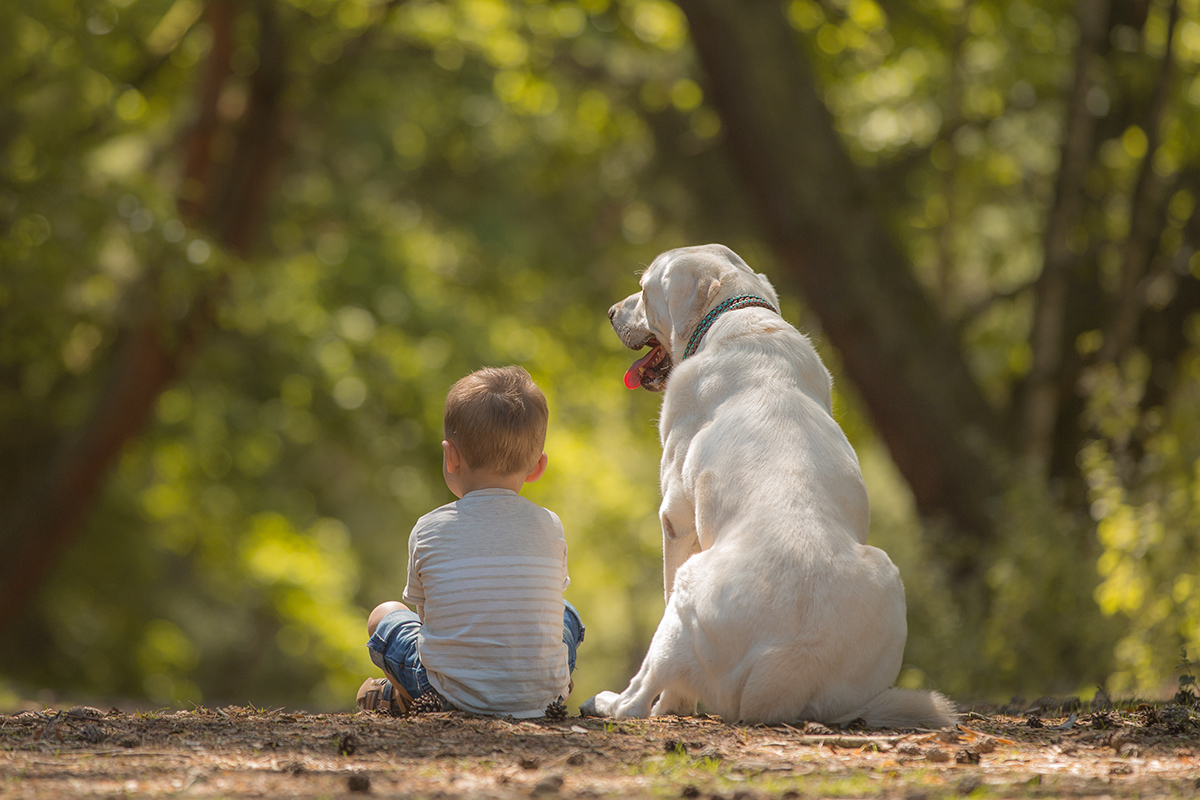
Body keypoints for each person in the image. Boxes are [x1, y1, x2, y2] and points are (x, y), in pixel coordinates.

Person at [357, 366, 584, 717]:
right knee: (567, 614)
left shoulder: (428, 528)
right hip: (541, 700)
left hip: (450, 696)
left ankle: (405, 696)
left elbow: (430, 627)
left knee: (383, 615)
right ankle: (540, 687)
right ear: (538, 466)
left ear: (450, 456)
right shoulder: (550, 525)